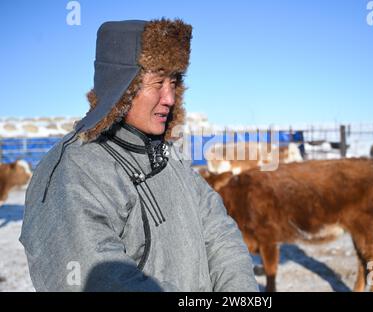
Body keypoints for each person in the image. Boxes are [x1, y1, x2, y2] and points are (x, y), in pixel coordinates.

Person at [20, 18, 258, 292]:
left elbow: (219, 233)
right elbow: (100, 279)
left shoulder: (169, 158)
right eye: (157, 82)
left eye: (175, 81)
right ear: (123, 86)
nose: (169, 97)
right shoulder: (76, 169)